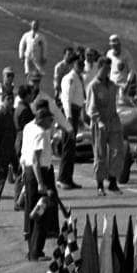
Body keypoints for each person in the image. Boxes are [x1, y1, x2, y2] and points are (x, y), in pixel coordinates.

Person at [21, 104, 60, 261]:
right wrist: (41, 184)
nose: (52, 123)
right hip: (39, 173)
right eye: (50, 120)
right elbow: (36, 160)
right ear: (43, 120)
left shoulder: (29, 127)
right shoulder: (42, 133)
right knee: (41, 212)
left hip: (30, 172)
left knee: (32, 211)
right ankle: (36, 251)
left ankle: (32, 250)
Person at [85, 57, 124, 195]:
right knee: (100, 153)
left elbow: (115, 104)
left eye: (109, 68)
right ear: (100, 68)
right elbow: (90, 107)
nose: (107, 71)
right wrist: (98, 121)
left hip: (113, 121)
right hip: (99, 123)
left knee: (117, 151)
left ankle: (113, 181)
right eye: (105, 68)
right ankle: (100, 184)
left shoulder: (112, 86)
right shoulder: (93, 86)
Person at [57, 51, 85, 190]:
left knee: (71, 147)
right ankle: (63, 178)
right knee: (68, 147)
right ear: (73, 64)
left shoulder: (78, 78)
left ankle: (68, 177)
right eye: (79, 63)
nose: (82, 65)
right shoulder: (70, 78)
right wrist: (68, 118)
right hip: (69, 114)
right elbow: (66, 100)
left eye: (82, 63)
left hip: (74, 113)